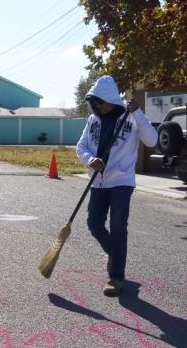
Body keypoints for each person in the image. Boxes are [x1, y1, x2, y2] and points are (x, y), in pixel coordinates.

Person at [75, 75, 158, 296]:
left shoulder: (131, 117)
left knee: (118, 226)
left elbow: (152, 140)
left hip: (122, 180)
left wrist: (138, 113)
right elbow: (81, 146)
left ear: (109, 99)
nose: (96, 107)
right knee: (94, 224)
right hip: (98, 181)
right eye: (93, 103)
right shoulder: (93, 120)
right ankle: (115, 254)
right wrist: (90, 160)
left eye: (99, 102)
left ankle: (116, 277)